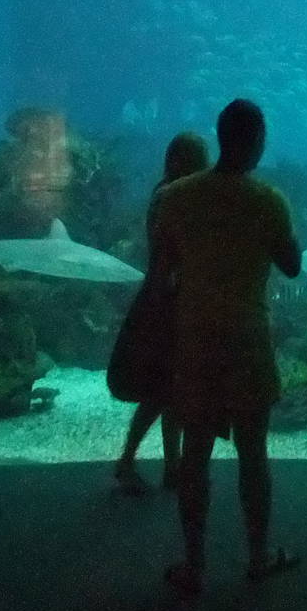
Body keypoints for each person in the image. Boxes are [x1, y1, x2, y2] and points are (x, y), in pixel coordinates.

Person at [147, 99, 303, 594]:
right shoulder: (267, 200)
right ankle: (257, 556)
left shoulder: (176, 198)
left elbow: (160, 272)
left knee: (194, 454)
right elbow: (293, 265)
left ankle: (194, 565)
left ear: (219, 136)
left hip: (195, 339)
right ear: (257, 141)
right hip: (248, 341)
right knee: (254, 453)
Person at [112, 131, 210, 496]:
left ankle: (171, 465)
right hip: (167, 304)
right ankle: (129, 461)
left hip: (162, 300)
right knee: (161, 391)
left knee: (172, 390)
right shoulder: (176, 198)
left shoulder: (163, 194)